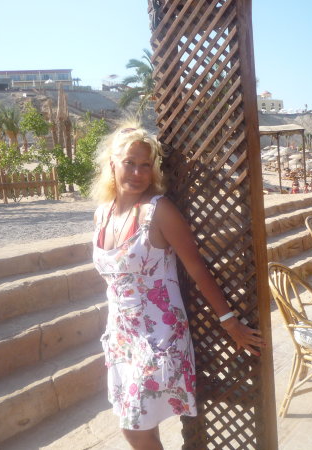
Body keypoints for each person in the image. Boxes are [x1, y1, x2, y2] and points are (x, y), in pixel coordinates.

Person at [91, 121, 264, 450]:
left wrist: (230, 323)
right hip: (121, 338)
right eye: (129, 163)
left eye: (146, 165)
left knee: (133, 429)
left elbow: (196, 267)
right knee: (143, 426)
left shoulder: (158, 212)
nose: (138, 173)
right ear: (112, 163)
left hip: (159, 339)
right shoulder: (102, 215)